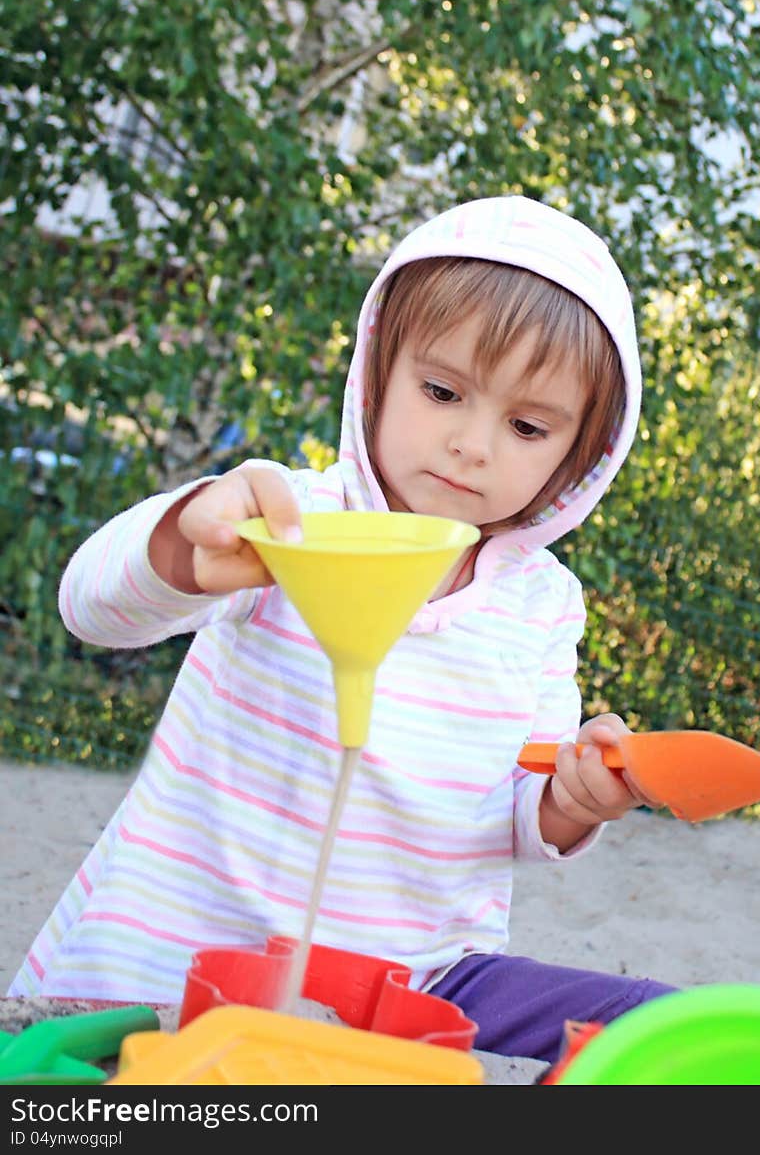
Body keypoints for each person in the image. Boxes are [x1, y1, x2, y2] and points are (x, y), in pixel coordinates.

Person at [9, 195, 676, 1063]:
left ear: (578, 456)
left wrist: (568, 803)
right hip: (180, 970)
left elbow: (514, 809)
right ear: (378, 374)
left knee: (661, 1031)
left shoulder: (540, 605)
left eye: (526, 425)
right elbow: (92, 607)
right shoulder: (293, 521)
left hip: (418, 982)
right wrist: (184, 545)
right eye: (442, 391)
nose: (473, 444)